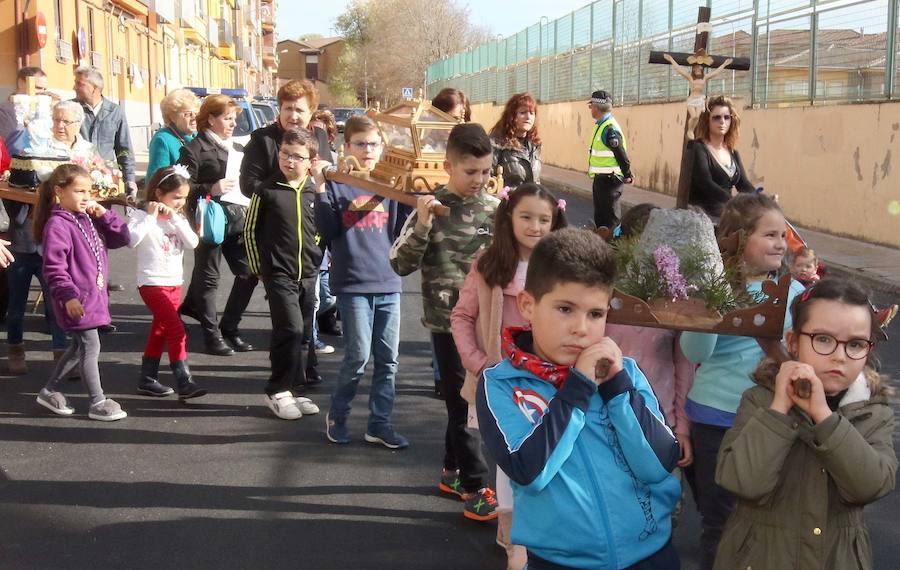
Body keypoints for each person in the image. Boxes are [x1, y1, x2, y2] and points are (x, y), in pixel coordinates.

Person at [476, 227, 682, 569]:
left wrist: (617, 388)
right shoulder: (500, 385)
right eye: (565, 309)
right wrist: (578, 387)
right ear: (527, 305)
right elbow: (529, 472)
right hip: (560, 562)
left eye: (595, 314)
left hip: (651, 556)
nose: (581, 328)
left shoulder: (625, 373)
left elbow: (660, 464)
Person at [715, 278, 897, 570]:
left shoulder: (873, 412)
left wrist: (824, 416)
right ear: (793, 343)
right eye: (823, 339)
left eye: (855, 344)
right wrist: (779, 409)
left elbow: (869, 486)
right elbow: (741, 481)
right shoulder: (761, 400)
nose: (840, 356)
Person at [680, 193, 805, 570]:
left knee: (765, 520)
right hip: (716, 419)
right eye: (769, 235)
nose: (780, 244)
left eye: (782, 235)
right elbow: (696, 352)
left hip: (771, 419)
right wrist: (709, 303)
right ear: (737, 238)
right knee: (720, 522)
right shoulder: (717, 290)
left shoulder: (794, 294)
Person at [451, 183, 567, 566]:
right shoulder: (489, 265)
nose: (536, 226)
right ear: (508, 218)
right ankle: (514, 538)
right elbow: (462, 316)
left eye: (544, 219)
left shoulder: (563, 268)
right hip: (503, 385)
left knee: (550, 457)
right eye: (526, 217)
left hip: (551, 383)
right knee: (508, 461)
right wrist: (478, 362)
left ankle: (544, 534)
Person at [391, 123, 500, 518]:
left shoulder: (496, 211)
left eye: (486, 171)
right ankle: (475, 486)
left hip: (489, 321)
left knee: (466, 400)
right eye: (471, 171)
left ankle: (452, 471)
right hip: (447, 322)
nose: (479, 179)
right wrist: (422, 224)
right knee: (465, 403)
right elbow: (399, 263)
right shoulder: (430, 208)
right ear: (449, 166)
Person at [313, 115, 409, 448]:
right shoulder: (338, 182)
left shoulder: (390, 185)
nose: (368, 150)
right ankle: (337, 416)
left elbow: (401, 230)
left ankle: (379, 424)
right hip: (353, 283)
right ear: (347, 146)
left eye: (374, 144)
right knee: (357, 356)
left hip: (388, 282)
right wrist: (320, 188)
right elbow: (327, 230)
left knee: (388, 360)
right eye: (361, 143)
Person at [32, 164, 131, 421]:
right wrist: (68, 296)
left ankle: (49, 391)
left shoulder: (88, 218)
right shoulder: (57, 225)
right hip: (76, 300)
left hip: (93, 298)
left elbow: (122, 238)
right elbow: (54, 268)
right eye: (79, 191)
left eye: (89, 191)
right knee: (90, 345)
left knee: (79, 348)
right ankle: (97, 401)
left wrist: (104, 215)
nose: (86, 197)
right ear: (59, 191)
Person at [244, 128, 322, 420]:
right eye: (285, 154)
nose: (289, 160)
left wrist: (314, 255)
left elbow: (319, 230)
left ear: (310, 161)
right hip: (278, 273)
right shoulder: (266, 190)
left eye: (297, 156)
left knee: (303, 333)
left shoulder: (314, 191)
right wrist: (259, 269)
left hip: (308, 274)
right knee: (289, 329)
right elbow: (250, 231)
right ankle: (276, 390)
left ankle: (295, 388)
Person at [178, 94, 257, 356]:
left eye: (234, 119)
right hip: (209, 218)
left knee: (248, 272)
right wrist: (210, 188)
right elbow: (180, 187)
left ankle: (229, 326)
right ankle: (212, 336)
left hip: (236, 217)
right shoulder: (193, 149)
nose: (233, 124)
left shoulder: (237, 148)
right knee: (209, 277)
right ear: (211, 119)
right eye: (227, 118)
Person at [127, 165, 206, 400]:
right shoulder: (140, 217)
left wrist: (175, 219)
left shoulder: (176, 218)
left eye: (184, 198)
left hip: (174, 282)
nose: (181, 202)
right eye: (176, 197)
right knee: (176, 329)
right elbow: (131, 240)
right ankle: (184, 380)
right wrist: (151, 217)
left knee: (160, 330)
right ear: (159, 193)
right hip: (152, 282)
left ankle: (147, 378)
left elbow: (193, 243)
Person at [240, 79, 332, 200]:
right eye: (288, 108)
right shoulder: (263, 139)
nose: (293, 116)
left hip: (313, 208)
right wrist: (288, 196)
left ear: (310, 113)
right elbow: (248, 185)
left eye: (299, 110)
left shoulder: (319, 135)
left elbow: (328, 179)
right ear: (280, 110)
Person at [73, 66, 137, 198]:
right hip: (77, 180)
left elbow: (124, 149)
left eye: (79, 84)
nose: (74, 87)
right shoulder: (71, 109)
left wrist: (129, 180)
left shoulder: (115, 111)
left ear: (94, 88)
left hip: (106, 182)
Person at [688, 95, 754, 218]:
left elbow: (744, 184)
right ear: (707, 120)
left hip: (726, 213)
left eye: (726, 117)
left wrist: (762, 200)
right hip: (702, 215)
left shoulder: (733, 153)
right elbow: (706, 184)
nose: (722, 121)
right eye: (716, 117)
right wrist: (735, 203)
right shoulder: (698, 148)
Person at [587, 90, 633, 230]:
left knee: (611, 221)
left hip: (610, 182)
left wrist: (627, 174)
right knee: (601, 220)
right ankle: (602, 242)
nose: (590, 109)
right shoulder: (601, 126)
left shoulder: (609, 128)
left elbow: (620, 154)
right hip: (601, 180)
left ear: (596, 107)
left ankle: (614, 243)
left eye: (590, 106)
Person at [662, 53, 733, 140]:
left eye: (699, 67)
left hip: (700, 99)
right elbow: (679, 69)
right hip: (692, 99)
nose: (698, 69)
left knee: (697, 117)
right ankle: (690, 130)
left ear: (701, 69)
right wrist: (671, 60)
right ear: (694, 69)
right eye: (696, 68)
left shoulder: (704, 77)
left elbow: (716, 72)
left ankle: (691, 130)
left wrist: (724, 64)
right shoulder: (690, 77)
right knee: (694, 116)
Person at [489, 93, 541, 190]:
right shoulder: (497, 143)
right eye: (523, 112)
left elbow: (536, 181)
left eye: (532, 113)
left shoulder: (534, 144)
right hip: (508, 199)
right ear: (511, 116)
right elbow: (487, 180)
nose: (528, 117)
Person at [145, 89, 199, 182]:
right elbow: (157, 181)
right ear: (172, 117)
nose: (194, 118)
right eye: (187, 114)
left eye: (196, 113)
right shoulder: (162, 139)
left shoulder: (198, 135)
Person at [0, 67, 49, 142]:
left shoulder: (43, 110)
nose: (42, 92)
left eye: (44, 89)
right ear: (21, 83)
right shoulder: (5, 111)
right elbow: (9, 142)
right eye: (38, 87)